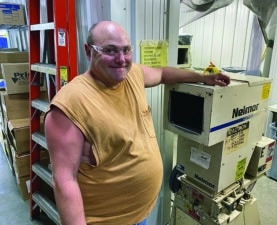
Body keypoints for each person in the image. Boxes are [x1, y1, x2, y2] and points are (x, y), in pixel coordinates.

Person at [44, 20, 230, 225]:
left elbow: (162, 73)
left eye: (126, 50)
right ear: (89, 52)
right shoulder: (69, 105)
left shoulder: (132, 75)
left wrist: (202, 78)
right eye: (110, 50)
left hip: (141, 214)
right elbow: (64, 182)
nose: (121, 59)